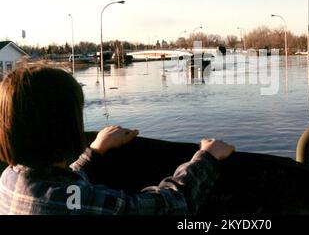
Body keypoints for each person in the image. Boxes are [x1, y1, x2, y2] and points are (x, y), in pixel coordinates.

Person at [0, 66, 235, 214]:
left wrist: (94, 151)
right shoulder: (79, 203)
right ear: (67, 127)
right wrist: (207, 157)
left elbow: (61, 185)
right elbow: (170, 205)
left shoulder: (9, 178)